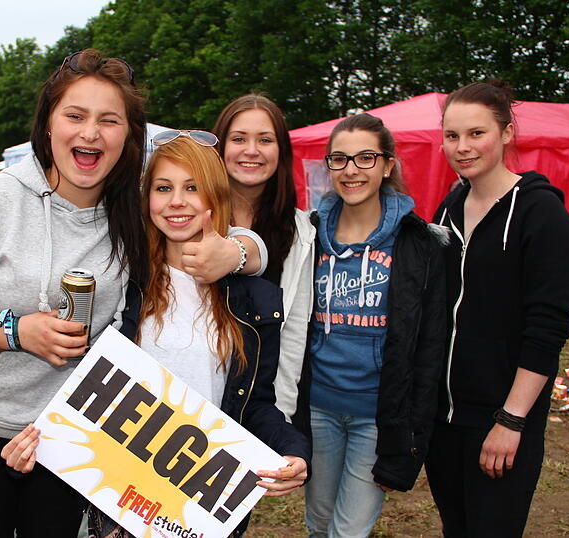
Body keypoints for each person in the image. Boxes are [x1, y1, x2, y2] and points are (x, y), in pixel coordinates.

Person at [0, 49, 265, 537]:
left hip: (67, 433)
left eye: (109, 120)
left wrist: (241, 253)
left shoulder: (134, 207)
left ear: (128, 136)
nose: (90, 133)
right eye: (75, 115)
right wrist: (15, 331)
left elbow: (208, 215)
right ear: (48, 123)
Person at [87, 132, 311, 538]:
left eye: (193, 188)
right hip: (123, 495)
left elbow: (255, 405)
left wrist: (294, 450)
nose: (176, 201)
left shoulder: (253, 300)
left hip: (203, 499)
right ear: (147, 198)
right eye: (163, 188)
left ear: (215, 198)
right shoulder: (124, 282)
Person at [426, 80, 569, 537]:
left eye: (477, 133)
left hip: (501, 420)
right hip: (444, 420)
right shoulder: (451, 207)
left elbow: (548, 328)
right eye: (452, 136)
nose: (462, 147)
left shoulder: (542, 214)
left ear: (507, 133)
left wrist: (511, 421)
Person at [304, 113, 447, 537]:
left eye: (366, 158)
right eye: (340, 159)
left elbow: (430, 345)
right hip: (318, 410)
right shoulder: (309, 236)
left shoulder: (419, 243)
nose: (351, 170)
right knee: (317, 525)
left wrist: (410, 438)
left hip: (377, 415)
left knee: (347, 532)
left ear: (387, 165)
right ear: (328, 167)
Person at [212, 94, 315, 430]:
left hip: (259, 407)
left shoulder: (300, 232)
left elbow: (293, 334)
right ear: (220, 146)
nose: (251, 150)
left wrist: (280, 417)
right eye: (239, 138)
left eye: (265, 140)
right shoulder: (192, 215)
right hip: (191, 396)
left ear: (281, 151)